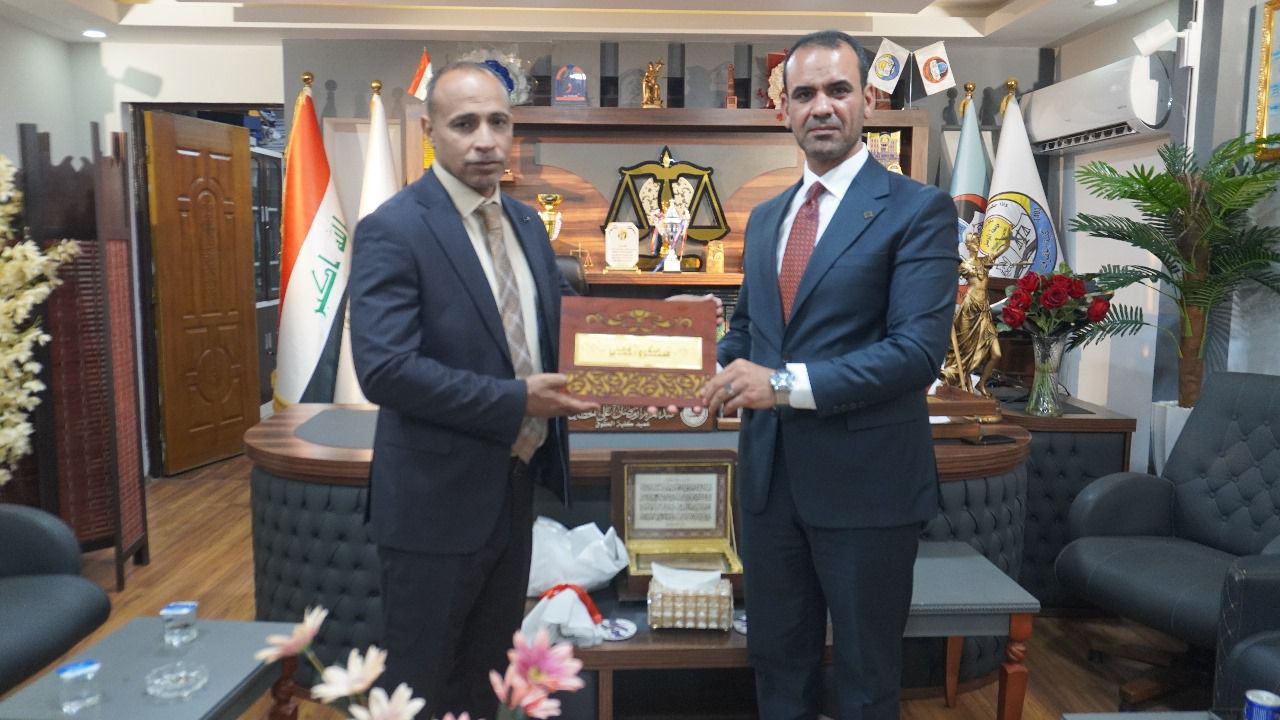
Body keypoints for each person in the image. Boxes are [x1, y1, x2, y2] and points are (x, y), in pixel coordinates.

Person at [700, 30, 959, 720]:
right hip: (769, 486)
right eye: (805, 93)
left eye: (838, 90)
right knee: (777, 666)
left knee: (867, 681)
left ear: (866, 100)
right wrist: (702, 359)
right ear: (783, 108)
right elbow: (750, 333)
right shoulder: (765, 219)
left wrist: (781, 386)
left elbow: (916, 353)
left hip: (867, 491)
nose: (822, 106)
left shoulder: (918, 210)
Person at [348, 61, 598, 720]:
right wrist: (517, 401)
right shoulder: (393, 228)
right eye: (465, 124)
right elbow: (385, 369)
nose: (485, 140)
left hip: (513, 495)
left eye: (498, 122)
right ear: (430, 132)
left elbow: (563, 328)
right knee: (422, 689)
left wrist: (662, 330)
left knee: (488, 683)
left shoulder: (527, 225)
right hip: (432, 508)